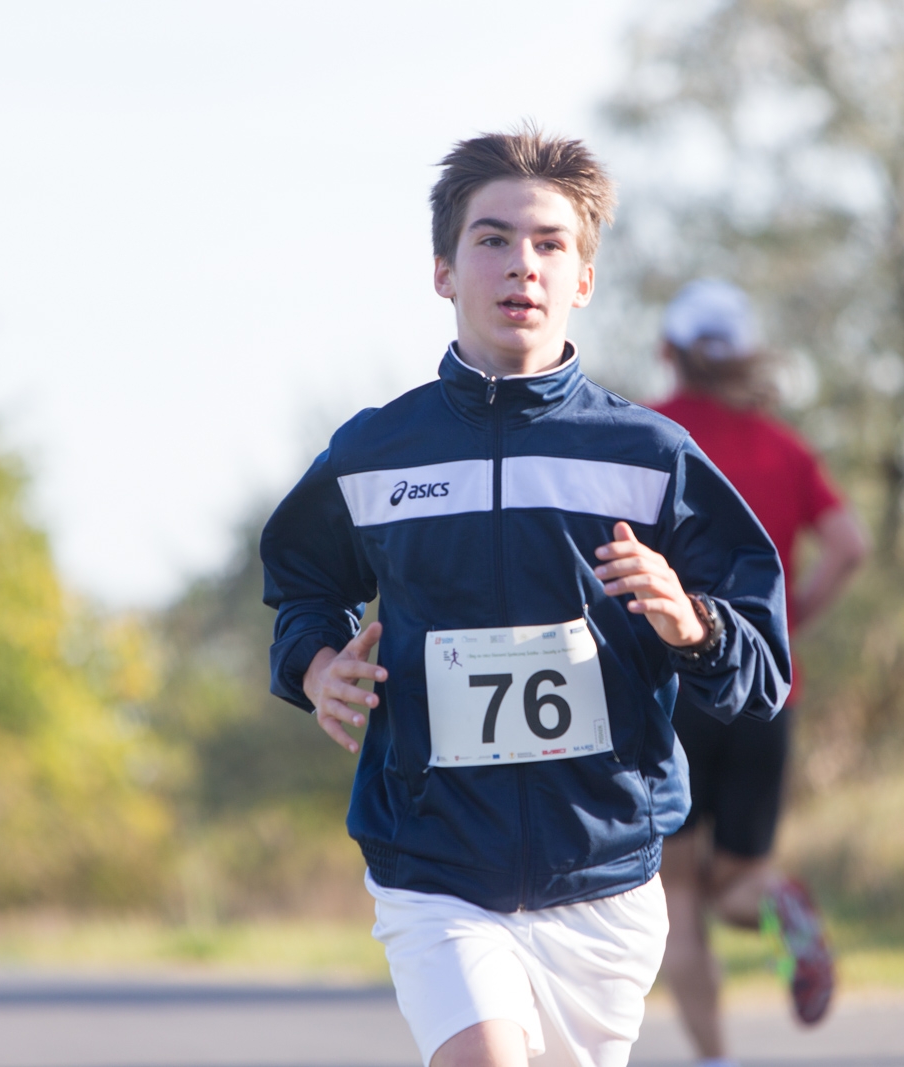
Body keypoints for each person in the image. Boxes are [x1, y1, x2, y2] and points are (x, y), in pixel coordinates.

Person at [260, 129, 791, 1067]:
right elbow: (303, 585)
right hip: (436, 865)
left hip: (604, 874)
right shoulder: (377, 452)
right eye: (493, 239)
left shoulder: (649, 456)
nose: (523, 264)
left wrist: (692, 622)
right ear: (443, 270)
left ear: (583, 277)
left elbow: (762, 667)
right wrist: (317, 665)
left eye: (550, 243)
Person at [649, 280, 867, 1054]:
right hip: (766, 689)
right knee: (738, 880)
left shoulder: (648, 433)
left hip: (674, 690)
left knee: (676, 893)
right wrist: (790, 616)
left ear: (669, 351)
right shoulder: (784, 446)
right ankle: (778, 902)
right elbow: (850, 545)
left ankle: (715, 1057)